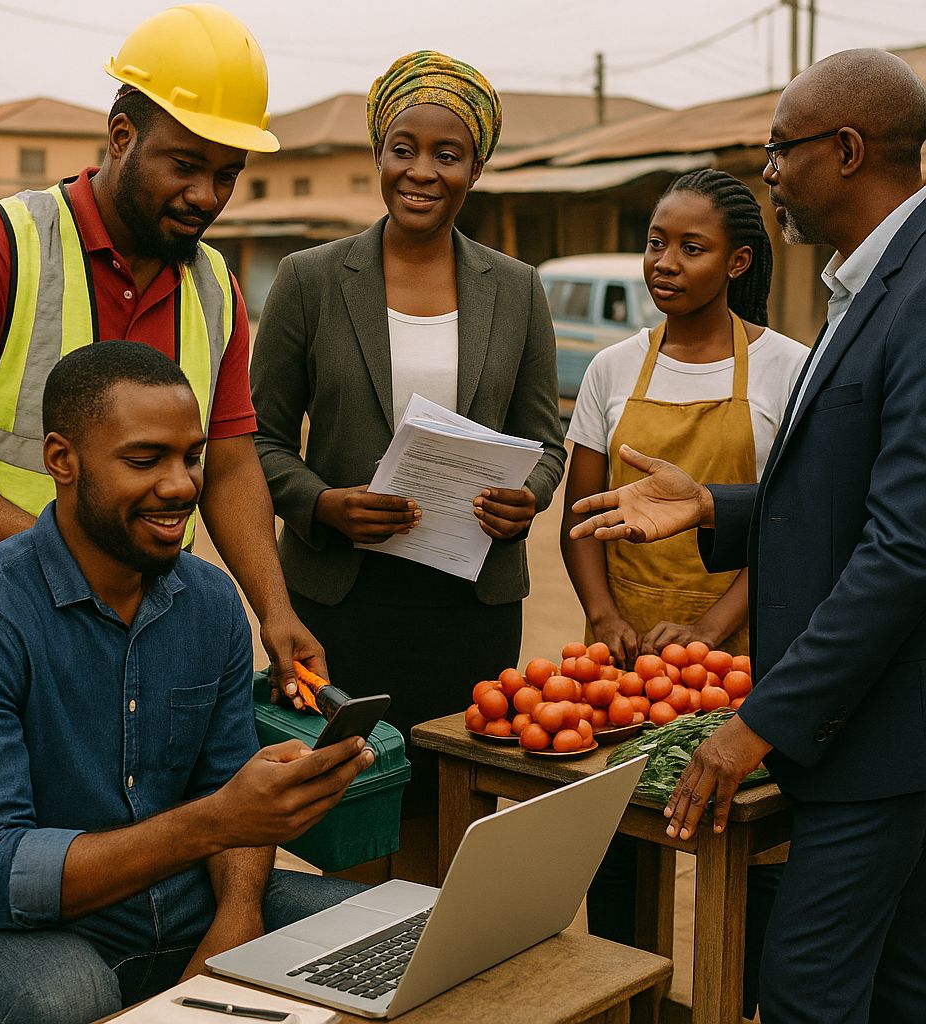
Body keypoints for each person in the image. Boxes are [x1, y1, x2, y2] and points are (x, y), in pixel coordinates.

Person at [570, 49, 926, 1024]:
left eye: (780, 150)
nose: (768, 172)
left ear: (846, 150)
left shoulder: (916, 292)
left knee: (803, 994)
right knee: (896, 991)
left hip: (881, 739)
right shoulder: (872, 282)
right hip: (873, 735)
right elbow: (847, 499)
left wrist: (755, 723)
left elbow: (902, 553)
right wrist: (719, 507)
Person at [0, 342, 372, 1024]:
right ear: (62, 461)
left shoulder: (209, 602)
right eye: (145, 460)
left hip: (181, 895)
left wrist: (236, 919)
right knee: (65, 1000)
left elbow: (225, 783)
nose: (181, 485)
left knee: (389, 928)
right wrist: (216, 821)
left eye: (191, 456)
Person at [0, 5, 323, 699]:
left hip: (145, 627)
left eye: (226, 174)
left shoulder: (214, 286)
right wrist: (67, 562)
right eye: (184, 165)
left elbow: (230, 464)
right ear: (121, 136)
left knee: (148, 810)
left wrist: (274, 610)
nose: (205, 196)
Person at [251, 51, 566, 819]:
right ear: (378, 155)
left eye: (446, 154)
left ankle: (437, 943)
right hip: (342, 600)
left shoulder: (517, 289)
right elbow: (254, 443)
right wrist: (324, 504)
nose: (421, 171)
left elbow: (545, 442)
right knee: (354, 804)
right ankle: (363, 945)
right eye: (403, 149)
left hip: (471, 605)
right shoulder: (310, 279)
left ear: (476, 168)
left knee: (455, 803)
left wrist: (525, 498)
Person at [561, 168, 806, 1019]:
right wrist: (603, 612)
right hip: (630, 663)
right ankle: (634, 1001)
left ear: (738, 262)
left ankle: (735, 1000)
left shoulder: (786, 369)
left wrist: (710, 625)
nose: (663, 261)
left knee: (747, 855)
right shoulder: (610, 369)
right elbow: (581, 517)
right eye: (657, 241)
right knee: (622, 845)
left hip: (743, 657)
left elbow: (791, 528)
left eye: (690, 247)